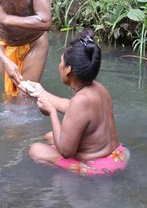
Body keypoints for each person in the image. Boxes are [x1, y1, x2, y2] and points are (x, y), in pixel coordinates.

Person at [19, 30, 129, 177]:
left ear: (68, 69)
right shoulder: (98, 88)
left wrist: (51, 112)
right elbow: (71, 107)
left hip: (100, 168)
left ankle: (68, 179)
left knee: (36, 150)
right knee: (49, 135)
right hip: (119, 154)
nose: (59, 65)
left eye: (61, 62)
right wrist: (40, 93)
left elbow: (66, 152)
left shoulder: (81, 101)